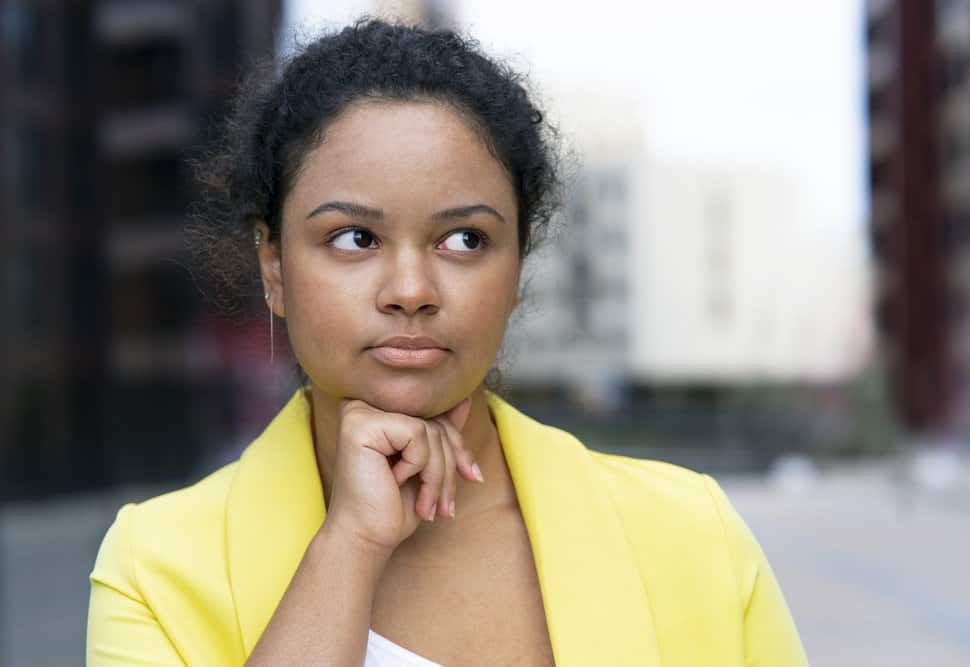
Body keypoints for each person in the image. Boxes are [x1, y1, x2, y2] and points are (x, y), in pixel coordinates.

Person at [87, 17, 810, 666]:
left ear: (518, 268)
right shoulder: (154, 569)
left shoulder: (694, 537)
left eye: (465, 239)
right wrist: (349, 549)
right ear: (274, 266)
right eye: (353, 238)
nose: (411, 287)